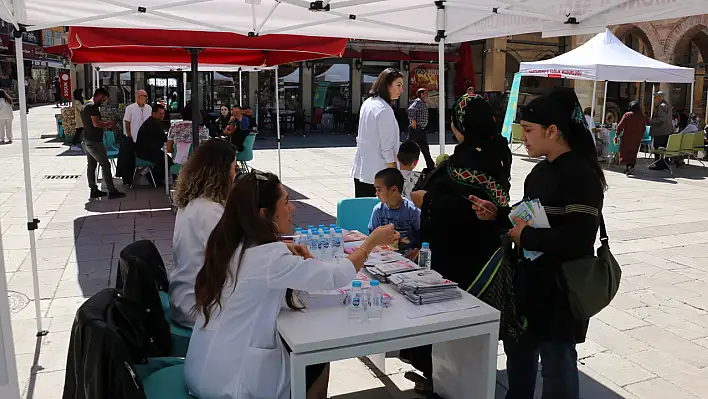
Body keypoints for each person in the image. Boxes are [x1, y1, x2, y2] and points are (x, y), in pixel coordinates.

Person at [184, 170, 398, 399]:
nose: (292, 209)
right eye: (286, 203)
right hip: (232, 383)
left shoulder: (228, 244)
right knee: (316, 357)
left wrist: (283, 248)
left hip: (203, 368)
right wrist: (370, 243)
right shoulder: (268, 258)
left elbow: (255, 267)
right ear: (264, 214)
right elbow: (334, 276)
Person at [472, 87, 606, 399]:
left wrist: (526, 236)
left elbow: (579, 238)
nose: (524, 138)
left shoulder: (580, 176)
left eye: (529, 131)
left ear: (553, 131)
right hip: (528, 287)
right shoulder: (539, 173)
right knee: (519, 363)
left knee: (557, 369)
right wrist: (498, 215)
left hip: (560, 292)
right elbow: (528, 216)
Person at [406, 95, 514, 393]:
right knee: (471, 325)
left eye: (455, 122)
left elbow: (462, 209)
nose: (453, 127)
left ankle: (448, 382)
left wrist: (427, 198)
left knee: (453, 320)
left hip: (461, 255)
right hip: (484, 249)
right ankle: (459, 380)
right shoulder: (498, 151)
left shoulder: (466, 161)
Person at [169, 139, 238, 328]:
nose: (235, 174)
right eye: (234, 168)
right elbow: (237, 260)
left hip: (186, 295)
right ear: (221, 172)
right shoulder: (210, 212)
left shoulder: (193, 204)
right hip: (198, 305)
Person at [350, 68, 404, 197]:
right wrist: (395, 176)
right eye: (398, 85)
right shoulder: (383, 110)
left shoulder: (368, 103)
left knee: (364, 213)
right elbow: (387, 148)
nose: (401, 90)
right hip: (379, 176)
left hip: (362, 171)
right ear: (387, 85)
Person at [80, 88, 126, 200]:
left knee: (91, 166)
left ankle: (93, 189)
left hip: (87, 139)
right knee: (105, 165)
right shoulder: (92, 107)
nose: (105, 101)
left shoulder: (85, 105)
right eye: (104, 98)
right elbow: (96, 123)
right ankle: (111, 190)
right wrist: (108, 124)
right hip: (95, 141)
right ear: (100, 96)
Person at [370, 168, 421, 256]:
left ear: (394, 189)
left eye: (379, 190)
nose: (376, 194)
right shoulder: (378, 210)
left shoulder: (412, 210)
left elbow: (421, 238)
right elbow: (371, 235)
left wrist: (412, 253)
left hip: (406, 257)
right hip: (383, 256)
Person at [136, 104, 171, 186]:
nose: (162, 116)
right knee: (166, 160)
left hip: (146, 150)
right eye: (160, 113)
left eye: (163, 113)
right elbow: (163, 138)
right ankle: (154, 179)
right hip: (146, 151)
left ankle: (152, 176)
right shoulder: (154, 124)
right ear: (153, 113)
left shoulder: (152, 121)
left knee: (166, 159)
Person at [617, 101, 647, 175]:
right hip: (637, 138)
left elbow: (620, 125)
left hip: (627, 137)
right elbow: (644, 128)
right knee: (633, 152)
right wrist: (641, 135)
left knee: (625, 151)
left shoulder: (627, 115)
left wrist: (617, 133)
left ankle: (628, 167)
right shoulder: (642, 117)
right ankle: (631, 166)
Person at [407, 88, 434, 170]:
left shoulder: (422, 103)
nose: (427, 95)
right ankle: (404, 164)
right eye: (426, 93)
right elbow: (411, 109)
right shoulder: (418, 101)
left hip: (421, 129)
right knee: (410, 147)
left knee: (425, 148)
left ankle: (431, 166)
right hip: (416, 129)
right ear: (421, 94)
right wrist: (413, 120)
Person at [649, 91, 673, 170]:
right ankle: (663, 163)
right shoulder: (666, 105)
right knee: (663, 148)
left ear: (659, 98)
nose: (654, 99)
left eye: (655, 97)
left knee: (658, 148)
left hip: (660, 131)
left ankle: (659, 165)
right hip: (666, 131)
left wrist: (650, 121)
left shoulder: (661, 106)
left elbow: (661, 119)